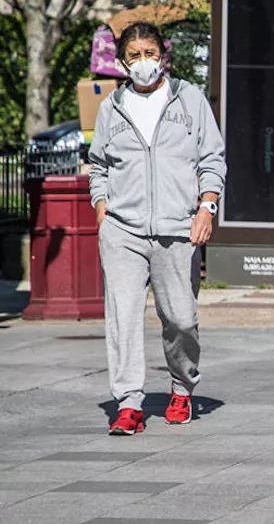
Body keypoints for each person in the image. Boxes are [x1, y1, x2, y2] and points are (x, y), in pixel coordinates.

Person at [89, 22, 227, 436]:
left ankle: (182, 387)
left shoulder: (190, 99)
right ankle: (128, 403)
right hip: (123, 232)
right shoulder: (112, 107)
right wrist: (102, 208)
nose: (143, 61)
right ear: (122, 62)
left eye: (149, 52)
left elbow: (212, 159)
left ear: (162, 55)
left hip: (177, 228)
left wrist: (207, 207)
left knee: (181, 319)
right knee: (123, 319)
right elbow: (98, 166)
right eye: (134, 55)